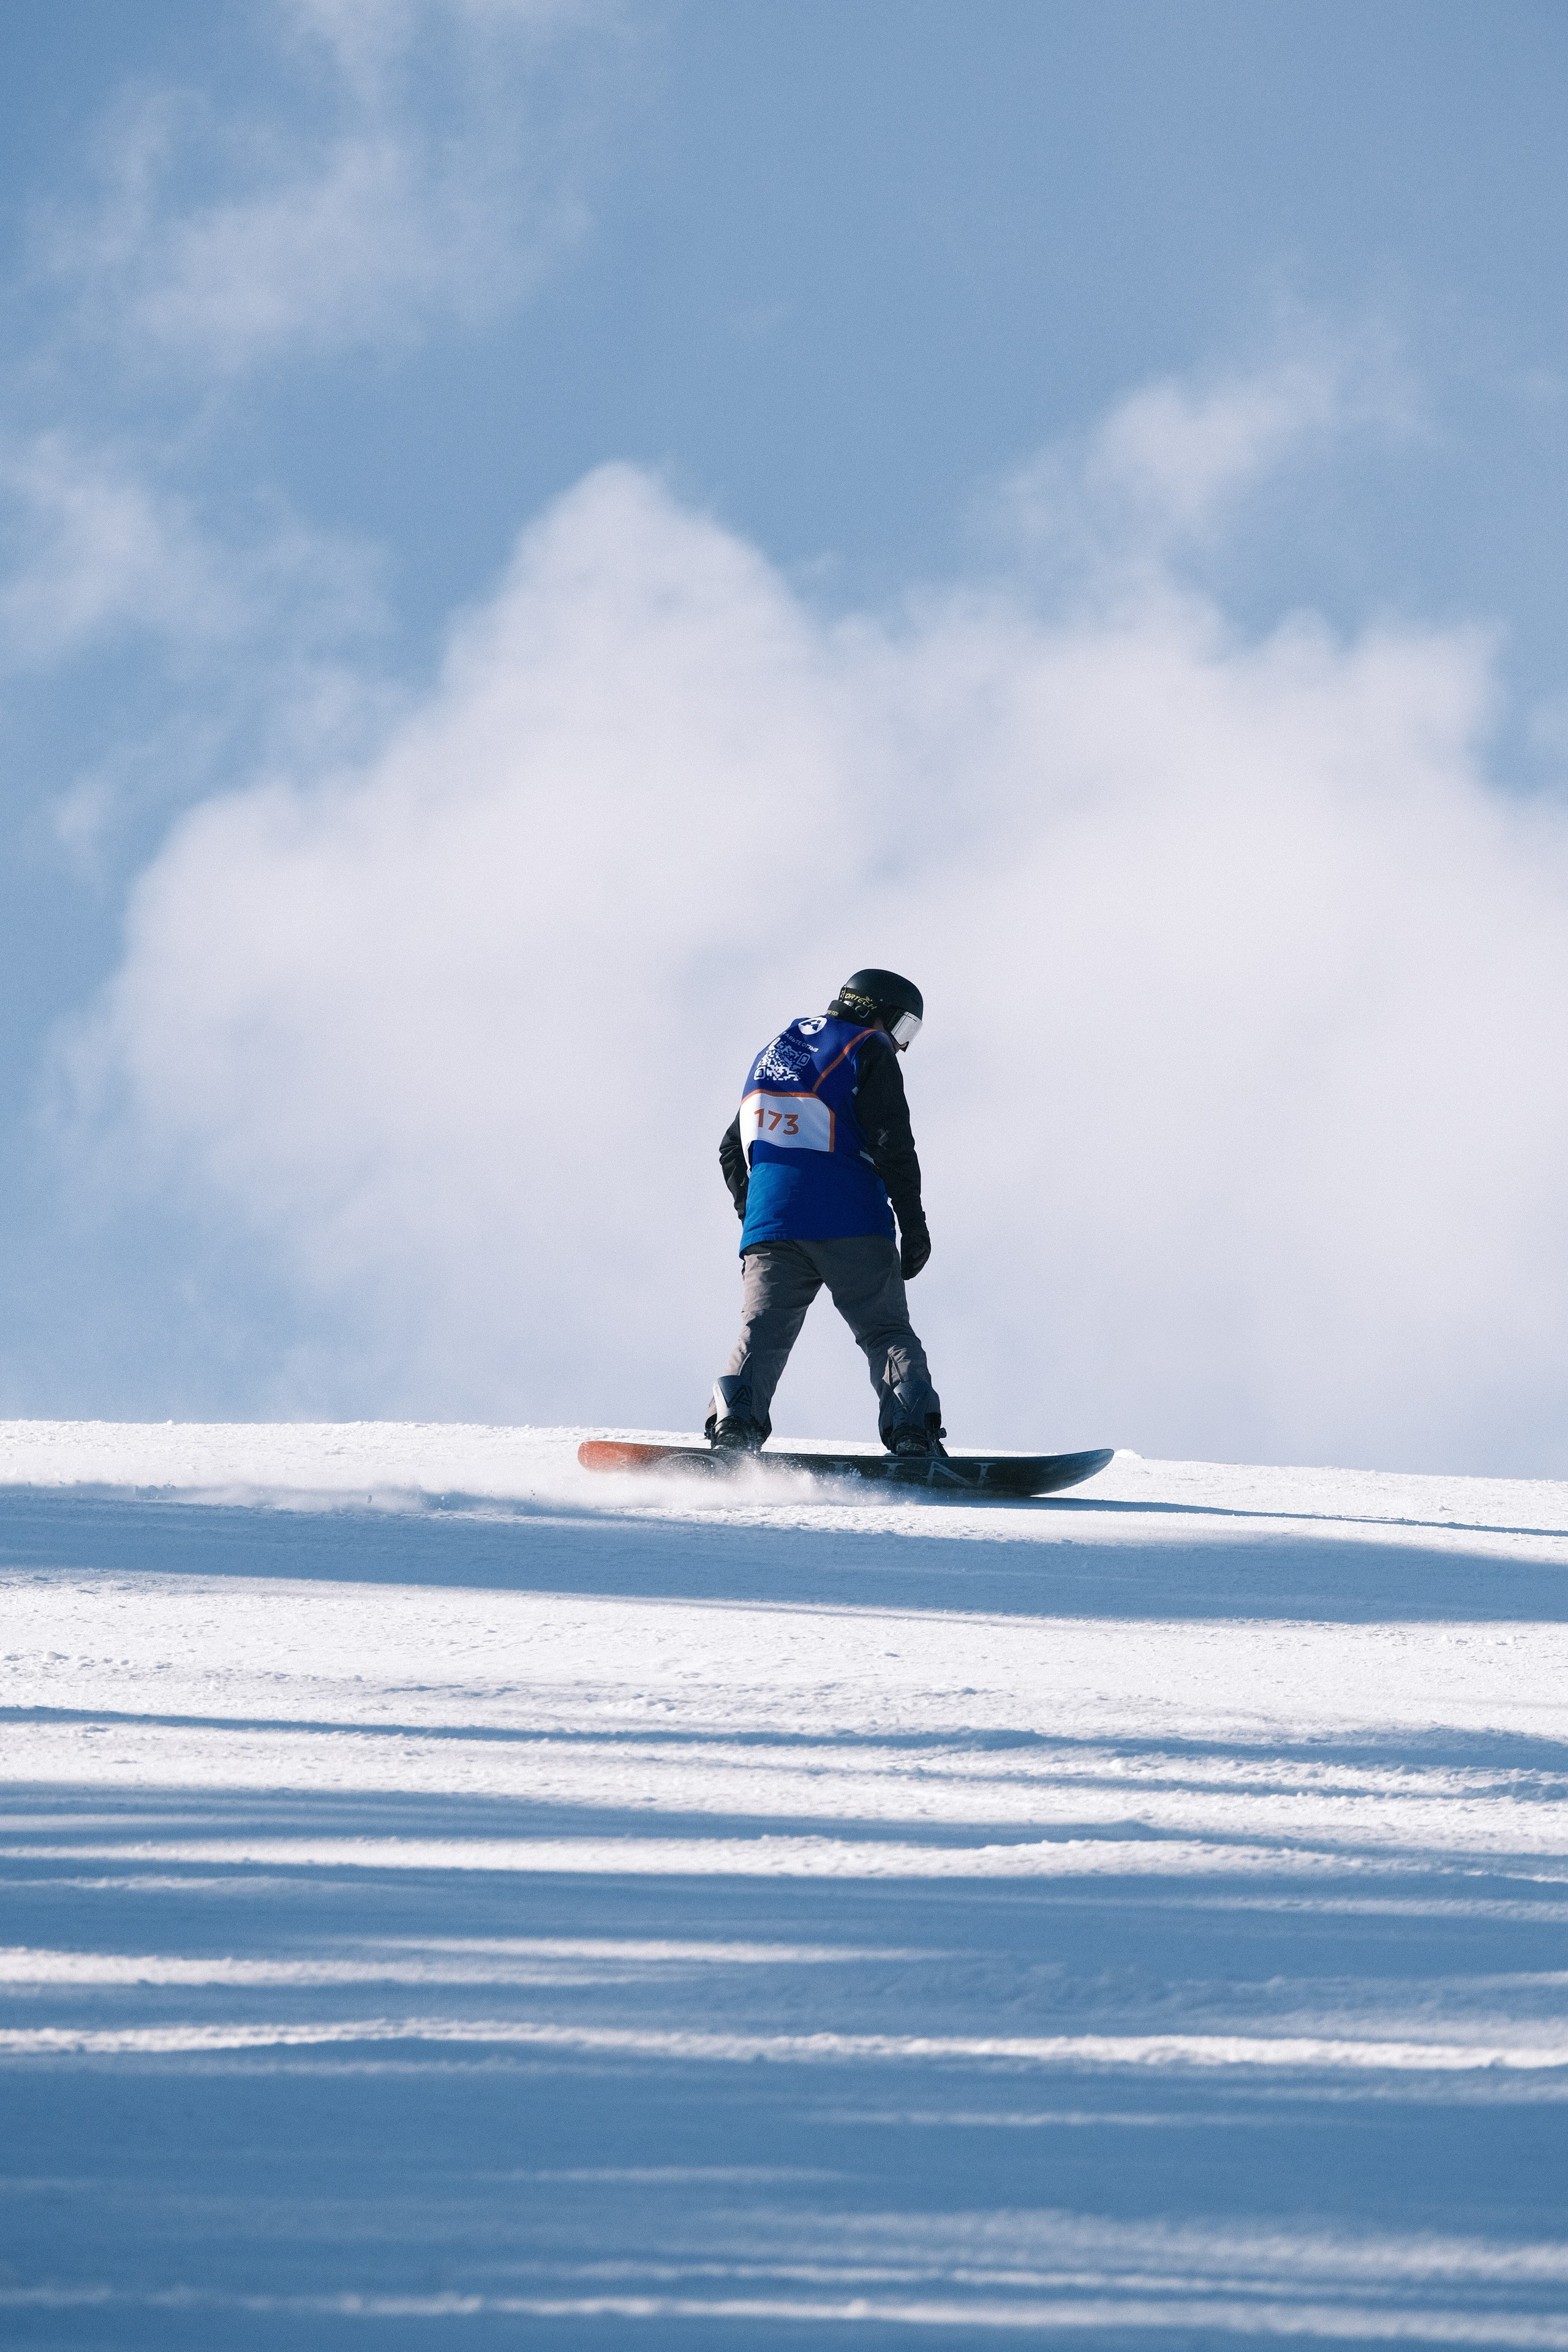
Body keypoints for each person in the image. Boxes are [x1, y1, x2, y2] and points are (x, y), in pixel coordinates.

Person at [707, 968, 946, 1458]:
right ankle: (912, 1433)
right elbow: (892, 1143)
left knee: (763, 1332)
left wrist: (755, 1216)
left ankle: (735, 1429)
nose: (901, 1045)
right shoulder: (866, 1047)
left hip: (772, 1225)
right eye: (902, 1028)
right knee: (885, 1332)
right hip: (851, 1219)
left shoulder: (775, 1054)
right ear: (871, 1009)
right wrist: (914, 1227)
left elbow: (732, 1148)